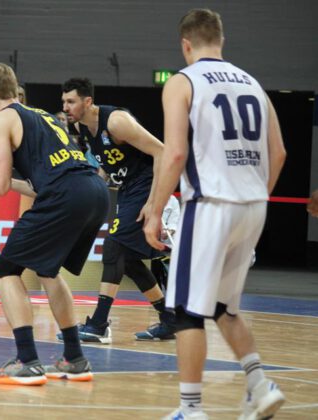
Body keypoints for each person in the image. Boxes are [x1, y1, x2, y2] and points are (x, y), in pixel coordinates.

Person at [141, 9, 287, 420]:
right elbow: (279, 153)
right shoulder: (254, 84)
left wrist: (154, 210)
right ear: (220, 41)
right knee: (224, 307)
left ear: (185, 45)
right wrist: (253, 197)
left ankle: (190, 410)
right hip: (253, 206)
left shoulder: (182, 82)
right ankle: (261, 384)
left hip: (209, 205)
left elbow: (174, 153)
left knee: (185, 312)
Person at [0, 63, 109, 385]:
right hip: (94, 192)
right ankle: (75, 358)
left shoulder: (0, 119)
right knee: (48, 271)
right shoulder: (41, 116)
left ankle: (27, 360)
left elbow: (1, 186)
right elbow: (33, 185)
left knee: (5, 269)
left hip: (65, 194)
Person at [60, 77, 174, 343]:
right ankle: (170, 320)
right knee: (130, 259)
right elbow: (106, 165)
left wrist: (153, 203)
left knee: (112, 247)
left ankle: (99, 324)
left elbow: (162, 152)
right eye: (63, 101)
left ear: (87, 102)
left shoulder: (115, 121)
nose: (65, 106)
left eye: (71, 101)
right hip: (128, 188)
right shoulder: (82, 127)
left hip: (147, 185)